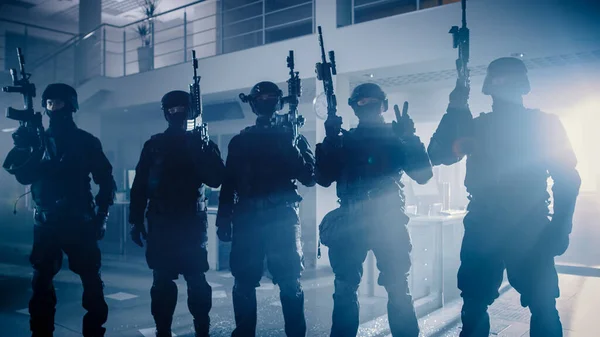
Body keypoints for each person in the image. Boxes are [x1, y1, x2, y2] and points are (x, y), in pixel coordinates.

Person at [427, 57, 581, 337]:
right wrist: (456, 109)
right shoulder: (476, 126)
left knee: (542, 305)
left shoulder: (543, 124)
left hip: (527, 225)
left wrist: (560, 227)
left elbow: (568, 177)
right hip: (490, 224)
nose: (504, 86)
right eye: (499, 80)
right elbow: (438, 155)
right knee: (476, 305)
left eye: (508, 80)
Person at [315, 83, 433, 337]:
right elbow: (323, 178)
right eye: (361, 103)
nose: (367, 107)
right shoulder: (343, 141)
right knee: (346, 289)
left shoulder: (396, 136)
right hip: (351, 220)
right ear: (355, 109)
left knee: (397, 288)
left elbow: (423, 175)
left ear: (384, 105)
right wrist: (330, 141)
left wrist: (409, 138)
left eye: (372, 102)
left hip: (387, 220)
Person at [3, 83, 116, 337]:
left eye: (59, 103)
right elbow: (21, 175)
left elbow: (106, 180)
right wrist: (24, 147)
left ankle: (95, 332)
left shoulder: (86, 142)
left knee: (92, 283)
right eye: (50, 103)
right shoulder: (38, 140)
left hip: (79, 221)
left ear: (71, 106)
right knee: (41, 284)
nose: (54, 108)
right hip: (47, 223)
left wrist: (102, 215)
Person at [216, 81, 315, 337]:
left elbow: (309, 177)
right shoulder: (240, 141)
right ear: (252, 103)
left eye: (272, 97)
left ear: (279, 101)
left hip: (282, 217)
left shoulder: (291, 135)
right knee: (243, 284)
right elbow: (229, 183)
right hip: (248, 218)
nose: (266, 102)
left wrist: (292, 143)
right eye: (261, 98)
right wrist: (223, 218)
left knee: (290, 283)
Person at [128, 90, 225, 337]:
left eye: (180, 109)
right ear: (165, 113)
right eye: (172, 110)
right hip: (163, 223)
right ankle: (164, 331)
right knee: (163, 282)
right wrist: (136, 220)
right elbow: (139, 186)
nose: (177, 114)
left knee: (195, 281)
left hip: (189, 224)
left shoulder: (201, 144)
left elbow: (216, 178)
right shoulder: (154, 146)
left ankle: (201, 329)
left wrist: (201, 148)